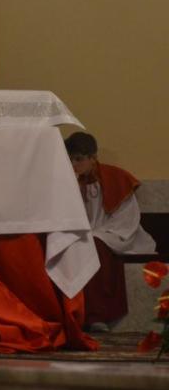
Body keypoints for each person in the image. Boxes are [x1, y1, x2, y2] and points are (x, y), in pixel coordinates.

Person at [65, 131, 156, 328]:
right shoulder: (68, 182)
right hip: (86, 235)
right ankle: (70, 315)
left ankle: (97, 315)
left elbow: (126, 219)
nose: (73, 164)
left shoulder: (115, 179)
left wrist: (95, 235)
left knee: (95, 246)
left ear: (93, 157)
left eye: (79, 159)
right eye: (70, 159)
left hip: (116, 233)